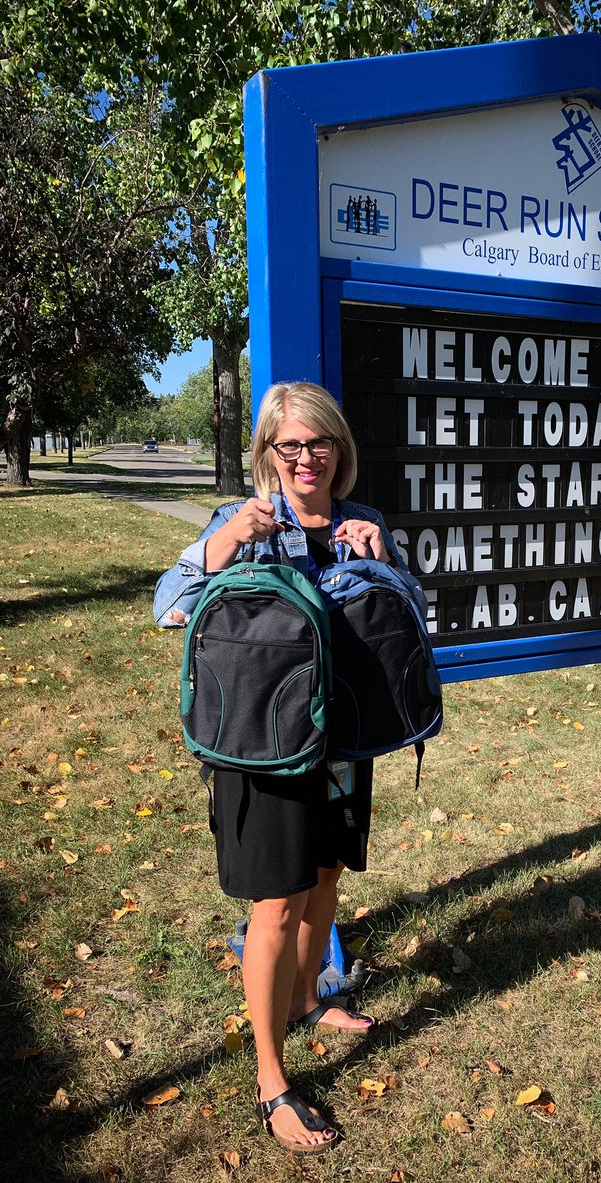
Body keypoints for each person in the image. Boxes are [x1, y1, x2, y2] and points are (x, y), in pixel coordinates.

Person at [154, 382, 419, 1158]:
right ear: (268, 451)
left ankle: (309, 997)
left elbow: (411, 617)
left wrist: (385, 567)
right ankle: (272, 1083)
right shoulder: (241, 523)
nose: (307, 458)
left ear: (340, 449)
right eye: (291, 445)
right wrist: (228, 542)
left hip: (341, 743)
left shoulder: (364, 522)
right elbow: (169, 605)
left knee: (326, 876)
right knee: (274, 906)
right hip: (264, 745)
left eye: (321, 442)